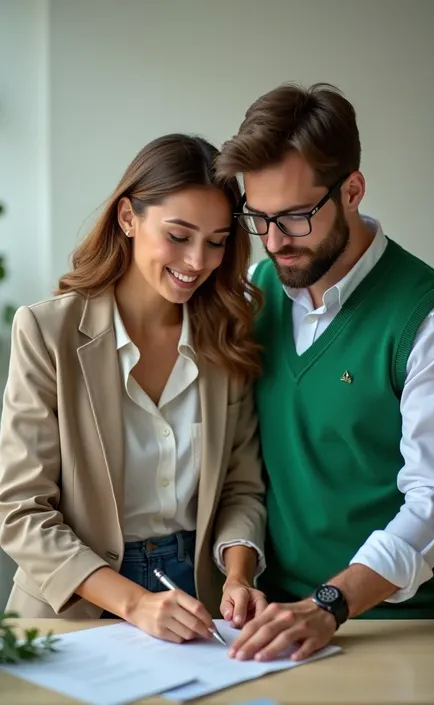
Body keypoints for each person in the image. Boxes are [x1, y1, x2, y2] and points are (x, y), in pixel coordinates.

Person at [215, 83, 434, 662]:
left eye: (296, 217)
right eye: (259, 218)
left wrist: (331, 601)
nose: (275, 242)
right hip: (269, 625)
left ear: (352, 190)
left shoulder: (433, 316)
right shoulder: (258, 292)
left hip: (397, 630)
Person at [0, 134, 268, 643]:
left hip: (199, 602)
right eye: (179, 235)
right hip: (71, 606)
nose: (197, 261)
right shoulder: (46, 331)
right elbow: (19, 508)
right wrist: (136, 603)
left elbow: (241, 489)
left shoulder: (227, 339)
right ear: (128, 218)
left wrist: (238, 573)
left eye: (216, 241)